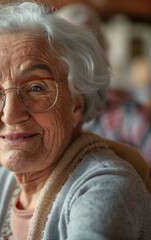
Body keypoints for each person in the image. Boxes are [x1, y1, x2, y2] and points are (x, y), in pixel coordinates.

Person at [0, 2, 151, 239]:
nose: (10, 113)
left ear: (77, 102)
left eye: (36, 87)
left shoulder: (106, 187)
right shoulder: (2, 184)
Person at [56, 3, 151, 176]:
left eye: (88, 49)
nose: (79, 63)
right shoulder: (46, 117)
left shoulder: (129, 116)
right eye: (69, 49)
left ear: (104, 53)